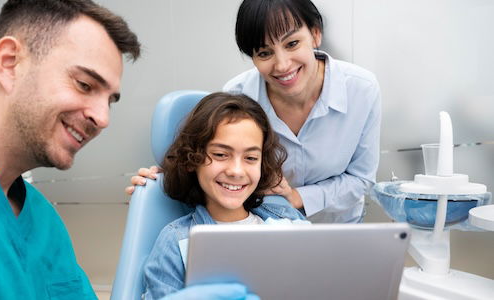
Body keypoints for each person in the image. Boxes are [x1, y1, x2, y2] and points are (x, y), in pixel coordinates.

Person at [0, 1, 254, 299]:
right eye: (84, 85)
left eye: (109, 100)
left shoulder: (43, 223)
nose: (103, 118)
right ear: (10, 62)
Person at [127, 0, 381, 224]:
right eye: (264, 53)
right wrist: (163, 179)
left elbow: (361, 179)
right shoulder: (238, 96)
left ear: (315, 35)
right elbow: (212, 163)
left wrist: (296, 197)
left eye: (292, 44)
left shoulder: (361, 89)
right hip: (264, 230)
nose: (282, 65)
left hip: (337, 228)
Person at [143, 92, 307, 299]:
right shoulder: (177, 242)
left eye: (250, 157)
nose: (236, 171)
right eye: (220, 155)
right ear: (193, 158)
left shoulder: (289, 221)